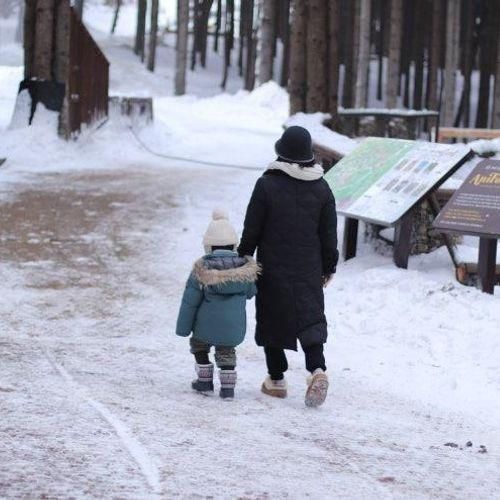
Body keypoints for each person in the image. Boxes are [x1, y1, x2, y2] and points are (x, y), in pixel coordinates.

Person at [238, 126, 339, 407]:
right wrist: (328, 266)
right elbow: (329, 234)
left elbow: (252, 227)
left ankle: (276, 380)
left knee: (272, 317)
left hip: (273, 266)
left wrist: (244, 255)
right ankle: (317, 370)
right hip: (309, 267)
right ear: (309, 156)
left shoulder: (267, 184)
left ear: (280, 152)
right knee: (310, 317)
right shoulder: (321, 188)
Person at [176, 209, 259, 399]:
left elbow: (190, 302)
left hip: (204, 326)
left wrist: (183, 328)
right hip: (232, 327)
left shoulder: (202, 269)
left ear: (208, 246)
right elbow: (251, 293)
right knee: (226, 349)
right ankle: (228, 388)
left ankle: (204, 381)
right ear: (234, 245)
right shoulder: (245, 271)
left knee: (198, 344)